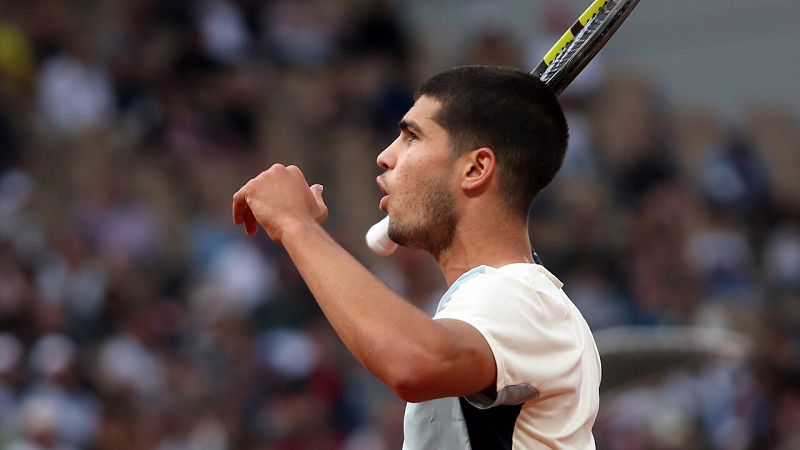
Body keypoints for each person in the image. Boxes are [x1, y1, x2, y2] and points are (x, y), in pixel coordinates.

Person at [232, 65, 601, 449]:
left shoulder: (522, 296)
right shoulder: (501, 300)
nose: (385, 156)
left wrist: (297, 226)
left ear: (475, 168)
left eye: (411, 137)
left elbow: (412, 363)